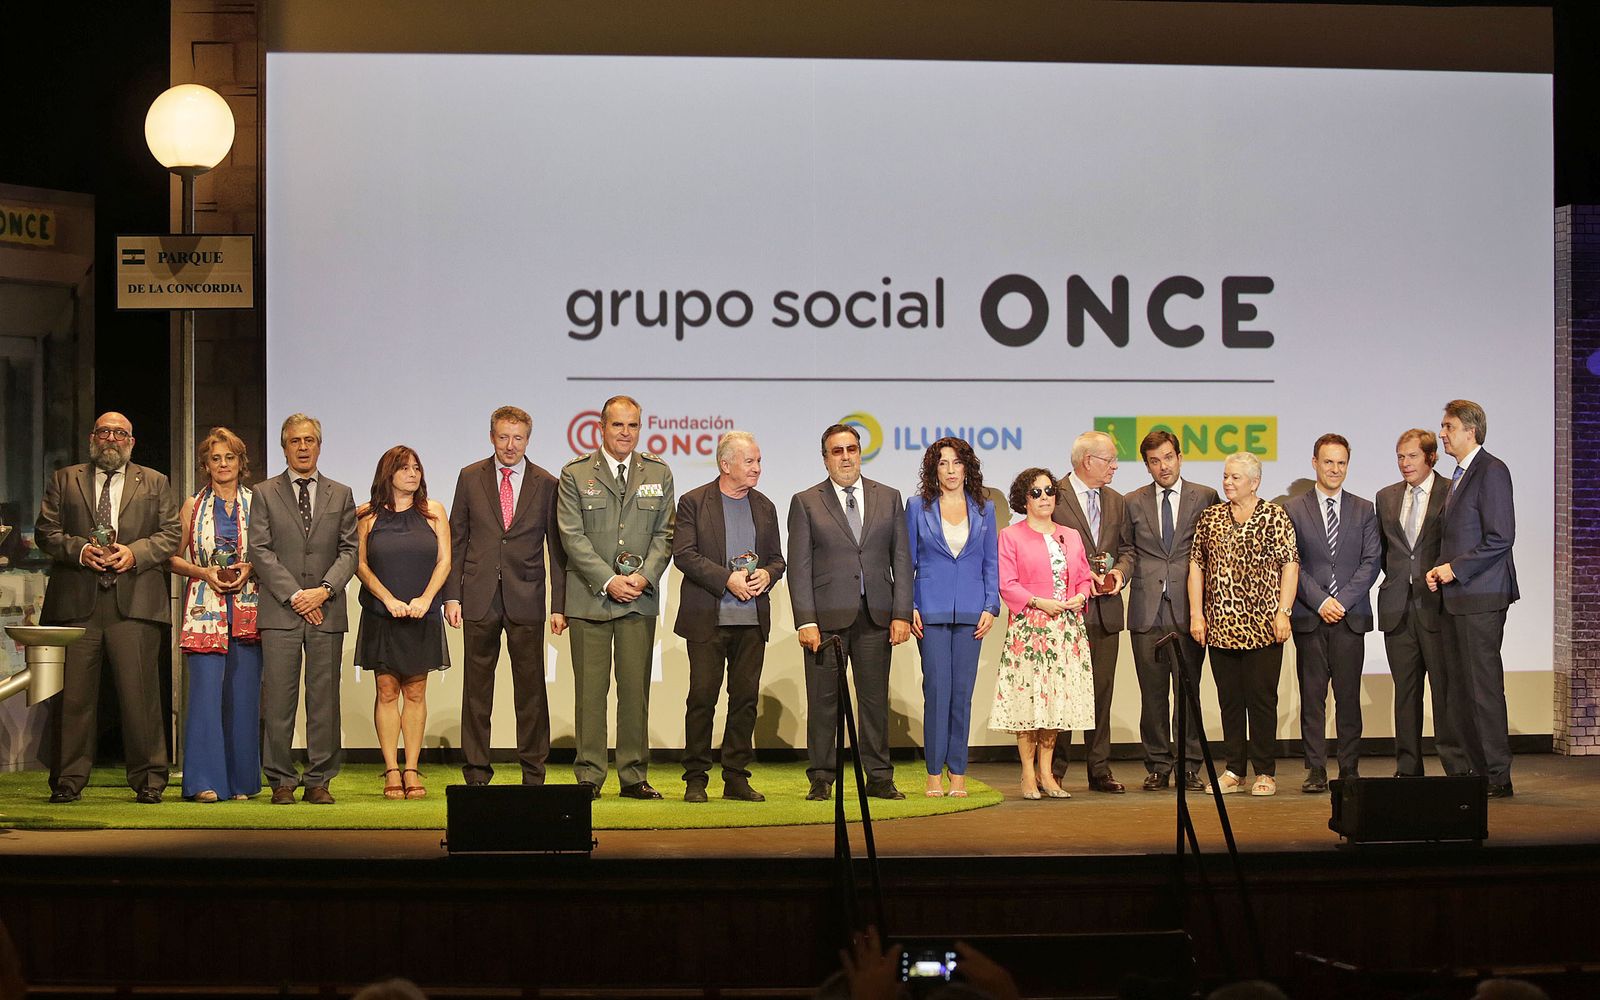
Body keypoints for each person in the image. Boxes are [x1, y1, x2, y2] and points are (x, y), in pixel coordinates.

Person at [35, 411, 180, 803]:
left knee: (141, 699)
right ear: (91, 438)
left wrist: (132, 554)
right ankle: (67, 781)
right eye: (104, 432)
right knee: (74, 700)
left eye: (119, 433)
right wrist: (81, 550)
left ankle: (149, 781)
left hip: (134, 605)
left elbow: (170, 535)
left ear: (131, 442)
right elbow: (45, 531)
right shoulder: (65, 479)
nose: (111, 438)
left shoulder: (154, 481)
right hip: (77, 605)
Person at [555, 395, 675, 799]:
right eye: (618, 425)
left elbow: (665, 534)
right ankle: (589, 776)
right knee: (590, 693)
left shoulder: (658, 471)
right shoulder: (575, 473)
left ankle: (633, 775)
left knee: (634, 691)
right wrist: (609, 580)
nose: (626, 433)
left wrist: (642, 578)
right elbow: (571, 536)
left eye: (633, 425)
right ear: (601, 428)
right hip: (591, 599)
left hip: (638, 601)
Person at [787, 423, 913, 801]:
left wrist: (902, 612)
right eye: (837, 451)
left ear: (860, 453)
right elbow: (799, 566)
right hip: (825, 621)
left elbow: (902, 560)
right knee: (824, 702)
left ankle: (878, 776)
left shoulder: (888, 497)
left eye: (852, 449)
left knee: (875, 701)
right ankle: (822, 777)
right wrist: (805, 619)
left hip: (876, 615)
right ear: (825, 458)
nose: (846, 457)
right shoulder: (806, 501)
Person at [442, 406, 566, 787]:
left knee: (530, 692)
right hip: (478, 596)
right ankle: (477, 772)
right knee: (477, 691)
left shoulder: (546, 483)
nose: (510, 445)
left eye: (518, 438)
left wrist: (559, 606)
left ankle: (533, 771)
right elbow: (456, 539)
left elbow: (558, 550)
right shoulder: (469, 477)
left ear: (528, 439)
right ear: (491, 436)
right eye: (503, 437)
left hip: (526, 598)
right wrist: (452, 596)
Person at [249, 413, 358, 805]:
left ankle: (319, 780)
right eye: (295, 441)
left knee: (324, 699)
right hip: (281, 611)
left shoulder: (341, 493)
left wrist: (324, 591)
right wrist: (297, 595)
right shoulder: (264, 493)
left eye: (310, 440)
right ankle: (280, 780)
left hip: (326, 610)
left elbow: (350, 550)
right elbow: (259, 551)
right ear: (284, 447)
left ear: (319, 445)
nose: (303, 447)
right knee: (278, 699)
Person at [671, 430, 785, 802]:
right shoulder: (693, 502)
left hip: (751, 621)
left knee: (745, 700)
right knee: (702, 698)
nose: (757, 468)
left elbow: (777, 560)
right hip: (707, 619)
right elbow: (684, 555)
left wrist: (768, 574)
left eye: (759, 461)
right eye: (749, 461)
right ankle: (696, 778)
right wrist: (727, 580)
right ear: (726, 465)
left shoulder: (765, 506)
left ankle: (736, 776)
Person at [1188, 451, 1298, 796]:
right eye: (1225, 476)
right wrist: (1196, 613)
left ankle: (1265, 771)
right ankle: (1234, 770)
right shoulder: (1211, 517)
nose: (1228, 483)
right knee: (1230, 700)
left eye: (1236, 477)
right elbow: (1197, 566)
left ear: (1255, 482)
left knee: (1262, 699)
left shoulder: (1274, 516)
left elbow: (1290, 565)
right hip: (1221, 627)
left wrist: (1284, 610)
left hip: (1264, 627)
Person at [1427, 398, 1519, 797]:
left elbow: (1501, 537)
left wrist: (1455, 568)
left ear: (1470, 430)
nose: (1442, 434)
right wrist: (1439, 568)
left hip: (1481, 597)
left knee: (1482, 689)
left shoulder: (1491, 470)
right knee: (1461, 689)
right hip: (1456, 598)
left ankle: (1497, 776)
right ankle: (1475, 773)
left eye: (1448, 427)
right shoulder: (1460, 474)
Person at [166, 427, 262, 802]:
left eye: (230, 457)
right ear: (205, 465)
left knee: (243, 695)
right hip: (205, 607)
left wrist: (249, 568)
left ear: (241, 463)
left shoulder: (259, 503)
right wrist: (203, 572)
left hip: (248, 606)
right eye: (216, 458)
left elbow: (270, 552)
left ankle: (241, 782)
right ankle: (204, 781)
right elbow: (170, 557)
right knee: (205, 695)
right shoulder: (192, 506)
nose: (223, 464)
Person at [988, 468, 1094, 800]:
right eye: (1036, 493)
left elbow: (1084, 577)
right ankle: (1027, 775)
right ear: (1024, 499)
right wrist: (1038, 602)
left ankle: (1047, 774)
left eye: (1049, 491)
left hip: (1065, 631)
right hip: (1029, 631)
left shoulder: (1071, 534)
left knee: (1056, 704)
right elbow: (1007, 583)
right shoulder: (1010, 535)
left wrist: (1081, 595)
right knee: (1029, 702)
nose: (1044, 497)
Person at [1122, 429, 1219, 792]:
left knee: (1188, 691)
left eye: (1168, 457)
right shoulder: (1133, 501)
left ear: (1180, 457)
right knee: (1152, 693)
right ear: (1146, 465)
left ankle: (1189, 765)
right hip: (1147, 609)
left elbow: (1214, 550)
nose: (1163, 466)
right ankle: (1159, 765)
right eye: (1154, 461)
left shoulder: (1206, 496)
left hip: (1190, 608)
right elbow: (1127, 550)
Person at [355, 445, 451, 800]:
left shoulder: (434, 512)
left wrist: (426, 599)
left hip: (422, 613)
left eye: (417, 468)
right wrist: (389, 599)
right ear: (388, 473)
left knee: (415, 690)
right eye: (405, 468)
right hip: (383, 614)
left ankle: (411, 768)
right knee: (386, 691)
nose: (413, 473)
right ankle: (391, 770)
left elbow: (444, 561)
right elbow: (361, 565)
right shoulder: (366, 515)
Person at [1285, 434, 1380, 792]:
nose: (1335, 469)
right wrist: (1321, 601)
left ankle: (1350, 768)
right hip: (1311, 616)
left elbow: (1372, 562)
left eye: (1341, 463)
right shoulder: (1294, 509)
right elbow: (1292, 563)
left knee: (1348, 698)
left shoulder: (1364, 508)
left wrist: (1343, 600)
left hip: (1350, 617)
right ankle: (1315, 770)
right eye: (1328, 462)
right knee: (1312, 698)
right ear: (1314, 463)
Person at [906, 436, 999, 798]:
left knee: (962, 695)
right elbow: (908, 561)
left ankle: (958, 773)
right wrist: (909, 605)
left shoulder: (984, 508)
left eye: (956, 463)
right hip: (929, 609)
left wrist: (991, 606)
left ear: (967, 467)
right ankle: (933, 774)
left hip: (972, 613)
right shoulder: (917, 506)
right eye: (942, 463)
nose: (949, 470)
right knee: (937, 692)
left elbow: (990, 561)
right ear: (934, 469)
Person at [1376, 428, 1469, 777]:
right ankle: (1408, 768)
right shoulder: (1385, 497)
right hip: (1397, 609)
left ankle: (1455, 768)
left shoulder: (1452, 491)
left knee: (1445, 693)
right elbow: (1385, 553)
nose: (1404, 463)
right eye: (1400, 456)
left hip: (1437, 606)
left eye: (1412, 456)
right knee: (1405, 694)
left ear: (1430, 457)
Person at [1050, 431, 1133, 793]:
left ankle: (1099, 769)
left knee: (1101, 692)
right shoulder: (1054, 495)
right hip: (1066, 612)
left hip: (1105, 611)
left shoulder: (1116, 501)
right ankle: (1055, 768)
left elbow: (1128, 549)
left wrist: (1118, 574)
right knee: (1065, 693)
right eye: (1109, 460)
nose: (1115, 466)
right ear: (1087, 461)